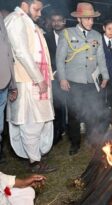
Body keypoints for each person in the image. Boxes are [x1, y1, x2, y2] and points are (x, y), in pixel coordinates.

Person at [5, 0, 56, 173]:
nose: (39, 13)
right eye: (36, 9)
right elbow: (21, 52)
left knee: (41, 119)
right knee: (31, 122)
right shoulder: (15, 19)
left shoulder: (27, 22)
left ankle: (37, 154)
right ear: (24, 4)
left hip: (38, 79)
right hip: (28, 81)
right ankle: (34, 161)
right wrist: (38, 78)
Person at [56, 2, 110, 155]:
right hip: (73, 81)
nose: (91, 22)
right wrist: (62, 79)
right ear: (79, 19)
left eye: (92, 19)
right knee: (74, 114)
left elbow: (101, 59)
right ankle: (74, 143)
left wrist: (105, 76)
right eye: (87, 19)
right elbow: (60, 59)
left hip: (91, 82)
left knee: (92, 113)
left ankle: (92, 140)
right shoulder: (67, 34)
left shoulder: (96, 35)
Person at [44, 10, 66, 145]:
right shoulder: (45, 37)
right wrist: (55, 72)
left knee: (72, 105)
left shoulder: (71, 35)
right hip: (53, 77)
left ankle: (69, 129)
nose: (57, 23)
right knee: (57, 105)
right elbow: (45, 58)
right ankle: (57, 132)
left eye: (59, 20)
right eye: (54, 20)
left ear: (64, 21)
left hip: (70, 75)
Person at [0, 13, 17, 163]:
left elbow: (8, 55)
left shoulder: (2, 25)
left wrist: (13, 85)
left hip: (4, 83)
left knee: (0, 125)